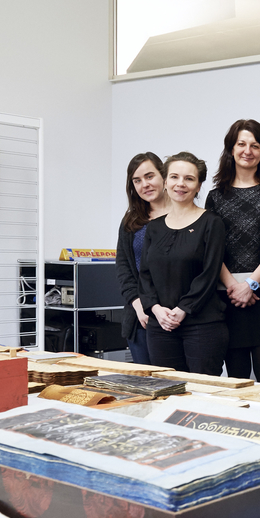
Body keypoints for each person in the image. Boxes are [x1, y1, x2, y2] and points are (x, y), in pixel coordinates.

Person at [206, 119, 260, 382]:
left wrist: (250, 283)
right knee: (236, 380)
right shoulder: (215, 196)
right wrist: (234, 286)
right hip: (227, 295)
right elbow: (210, 249)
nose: (247, 150)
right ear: (231, 148)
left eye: (255, 145)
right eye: (241, 144)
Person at [138, 152, 227, 375]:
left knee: (203, 393)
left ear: (198, 186)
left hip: (202, 325)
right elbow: (145, 275)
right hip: (160, 325)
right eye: (175, 177)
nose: (181, 184)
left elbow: (209, 273)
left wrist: (183, 309)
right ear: (165, 182)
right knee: (167, 392)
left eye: (189, 178)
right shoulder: (154, 228)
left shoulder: (212, 223)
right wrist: (156, 310)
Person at [115, 152, 170, 364]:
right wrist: (139, 305)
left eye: (149, 176)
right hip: (141, 318)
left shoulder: (184, 216)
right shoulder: (131, 222)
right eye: (137, 180)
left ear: (163, 176)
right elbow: (123, 269)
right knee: (148, 385)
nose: (144, 184)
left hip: (176, 315)